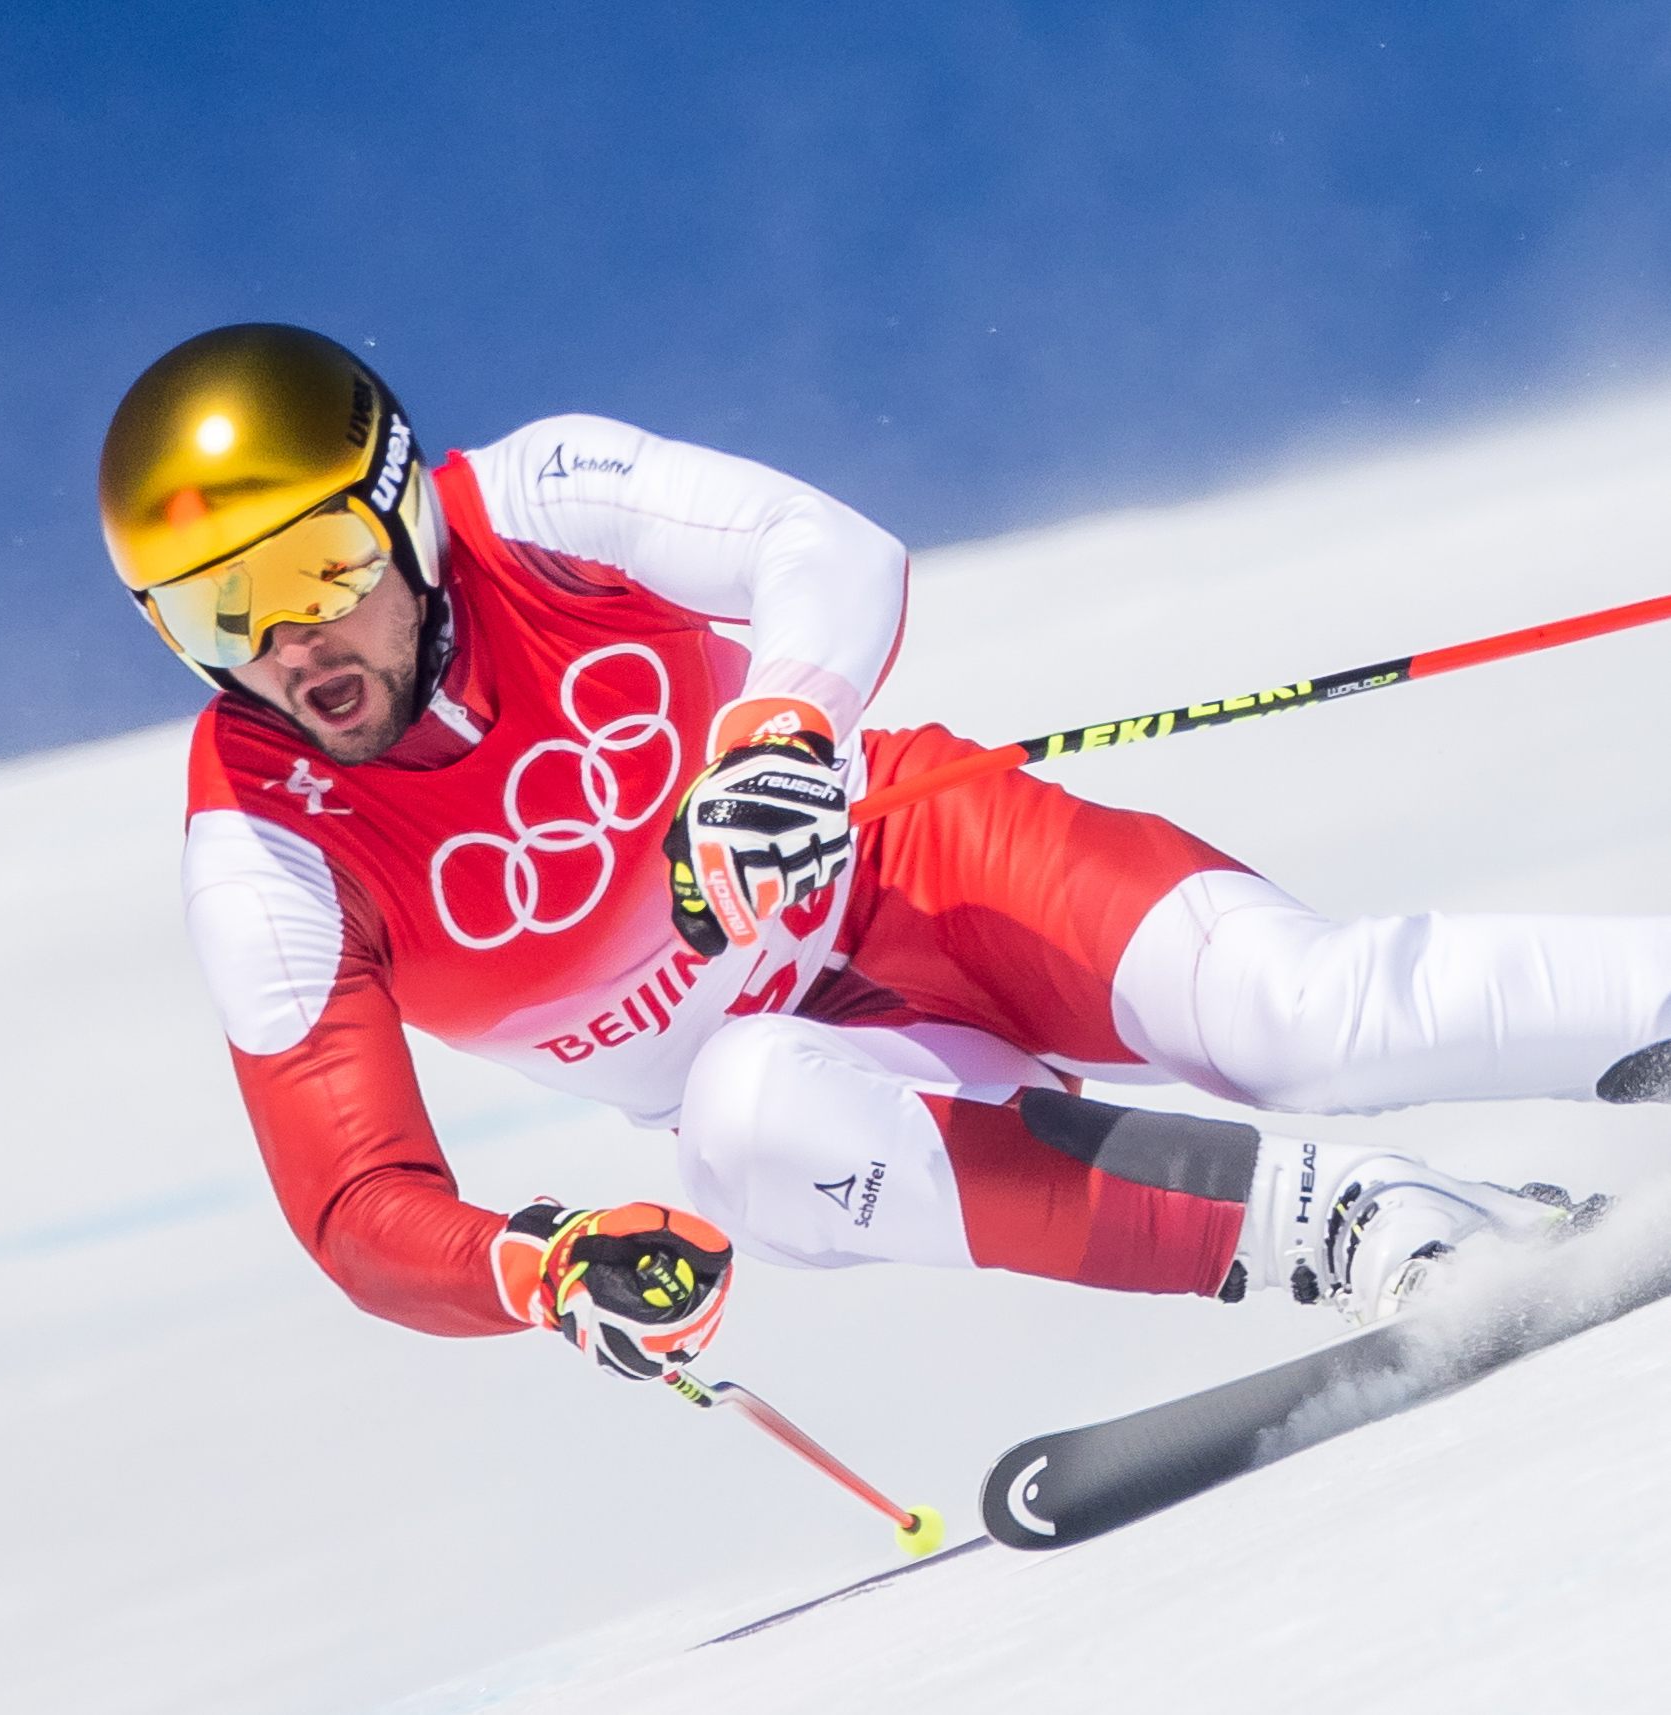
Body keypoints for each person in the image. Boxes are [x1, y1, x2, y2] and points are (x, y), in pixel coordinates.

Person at [98, 324, 1661, 1381]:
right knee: (748, 1125)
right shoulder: (263, 847)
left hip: (921, 864)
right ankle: (1392, 1228)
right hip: (809, 1059)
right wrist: (541, 1267)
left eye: (318, 564)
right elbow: (357, 1206)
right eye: (213, 616)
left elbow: (821, 548)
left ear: (400, 511)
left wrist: (777, 733)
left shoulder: (533, 503)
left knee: (1297, 1020)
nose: (289, 645)